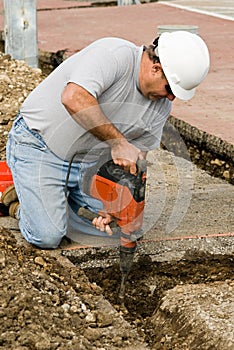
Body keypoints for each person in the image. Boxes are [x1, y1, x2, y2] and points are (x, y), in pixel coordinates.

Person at [3, 31, 210, 249]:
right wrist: (118, 143)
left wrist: (115, 206)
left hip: (87, 164)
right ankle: (19, 203)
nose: (170, 98)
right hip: (40, 146)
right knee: (48, 236)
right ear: (156, 69)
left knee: (118, 228)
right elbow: (73, 97)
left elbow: (135, 164)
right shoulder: (113, 55)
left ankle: (50, 199)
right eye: (170, 89)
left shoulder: (160, 107)